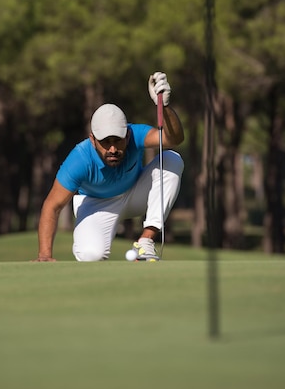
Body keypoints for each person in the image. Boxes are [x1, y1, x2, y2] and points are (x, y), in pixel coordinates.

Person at [36, 72, 184, 262]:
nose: (113, 148)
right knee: (90, 255)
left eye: (118, 140)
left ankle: (146, 241)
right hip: (95, 205)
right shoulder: (79, 159)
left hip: (135, 194)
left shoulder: (135, 134)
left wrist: (164, 107)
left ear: (127, 136)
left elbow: (174, 139)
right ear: (93, 140)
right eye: (106, 142)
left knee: (172, 159)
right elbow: (52, 206)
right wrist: (45, 255)